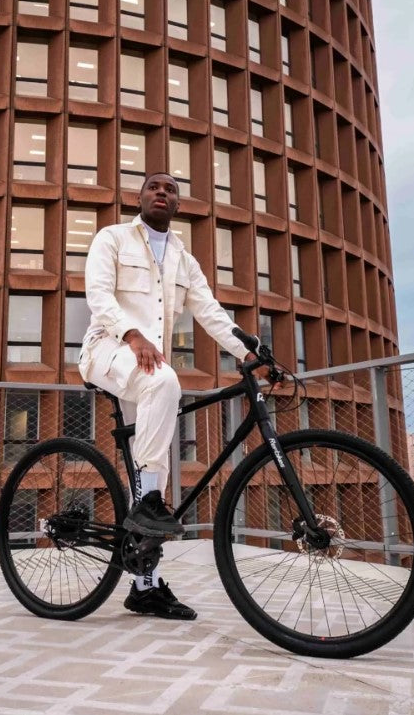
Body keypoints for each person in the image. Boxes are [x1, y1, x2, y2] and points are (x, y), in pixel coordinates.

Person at [79, 172, 255, 621]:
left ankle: (145, 586)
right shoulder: (114, 237)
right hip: (108, 348)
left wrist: (252, 351)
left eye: (171, 189)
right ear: (140, 198)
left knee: (151, 469)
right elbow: (98, 295)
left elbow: (211, 313)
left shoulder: (183, 259)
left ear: (178, 204)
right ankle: (148, 508)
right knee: (166, 381)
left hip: (145, 364)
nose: (162, 192)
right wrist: (133, 334)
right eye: (154, 186)